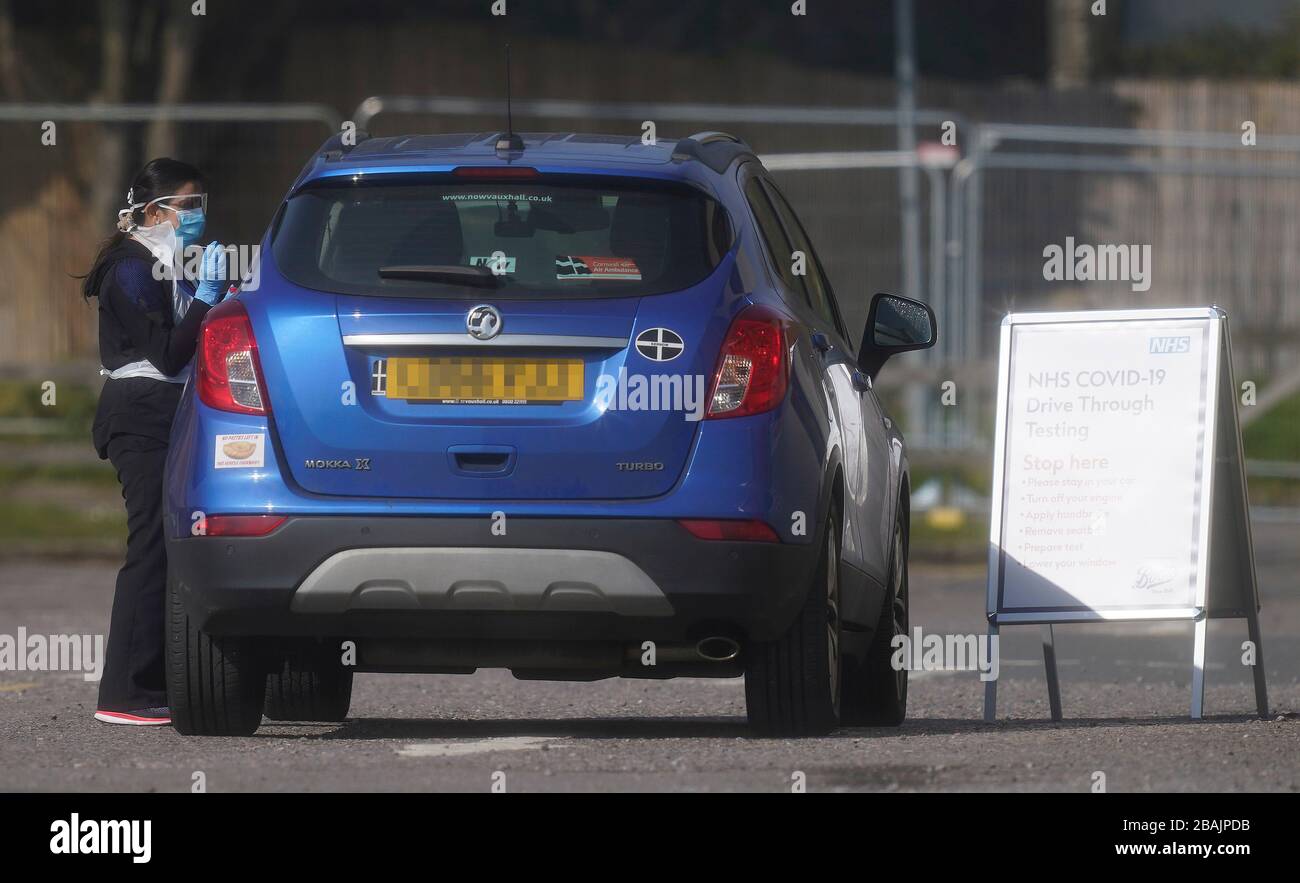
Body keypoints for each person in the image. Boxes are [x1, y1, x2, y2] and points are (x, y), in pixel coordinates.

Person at [81, 158, 229, 725]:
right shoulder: (129, 268)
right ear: (153, 211)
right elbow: (167, 352)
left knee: (173, 546)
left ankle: (159, 680)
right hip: (138, 414)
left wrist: (216, 296)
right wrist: (207, 298)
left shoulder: (167, 266)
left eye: (202, 206)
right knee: (149, 546)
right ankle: (125, 692)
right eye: (188, 207)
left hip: (171, 412)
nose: (198, 217)